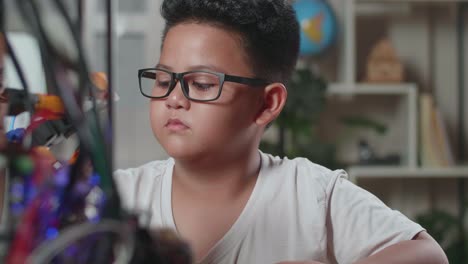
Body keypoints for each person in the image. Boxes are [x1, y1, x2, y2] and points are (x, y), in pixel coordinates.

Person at [114, 0, 448, 263]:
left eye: (200, 85)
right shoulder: (119, 195)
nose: (173, 99)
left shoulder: (312, 195)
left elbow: (430, 256)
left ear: (267, 103)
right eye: (162, 80)